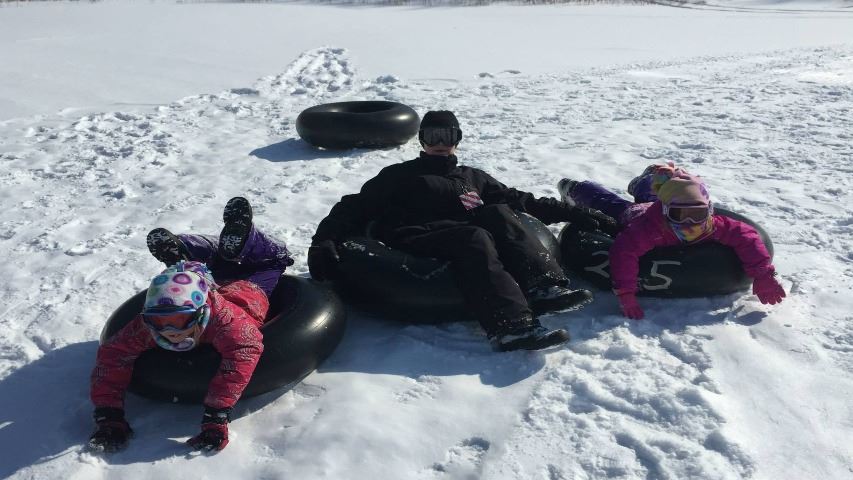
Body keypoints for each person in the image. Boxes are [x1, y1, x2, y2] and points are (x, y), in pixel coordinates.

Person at [308, 111, 617, 351]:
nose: (440, 143)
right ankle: (510, 328)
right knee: (475, 237)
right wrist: (323, 240)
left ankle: (544, 286)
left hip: (460, 234)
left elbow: (521, 200)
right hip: (413, 237)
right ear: (422, 141)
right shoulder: (400, 176)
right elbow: (353, 206)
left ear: (457, 139)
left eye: (447, 135)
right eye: (432, 136)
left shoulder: (471, 178)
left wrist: (577, 212)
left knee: (498, 211)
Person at [88, 197, 294, 453]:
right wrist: (109, 415)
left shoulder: (228, 322)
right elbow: (113, 355)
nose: (170, 331)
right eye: (159, 322)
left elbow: (243, 353)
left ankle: (245, 240)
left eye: (180, 321)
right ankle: (186, 252)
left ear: (201, 313)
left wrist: (216, 416)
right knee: (208, 263)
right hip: (210, 283)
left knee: (276, 258)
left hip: (251, 288)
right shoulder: (149, 325)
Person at [559, 163, 786, 320]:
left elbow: (747, 237)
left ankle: (647, 181)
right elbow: (623, 252)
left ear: (708, 211)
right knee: (611, 204)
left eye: (696, 214)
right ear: (667, 213)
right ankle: (577, 189)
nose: (689, 223)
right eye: (679, 215)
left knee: (651, 196)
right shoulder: (648, 229)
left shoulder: (714, 226)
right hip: (636, 214)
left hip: (661, 204)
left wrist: (764, 275)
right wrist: (626, 293)